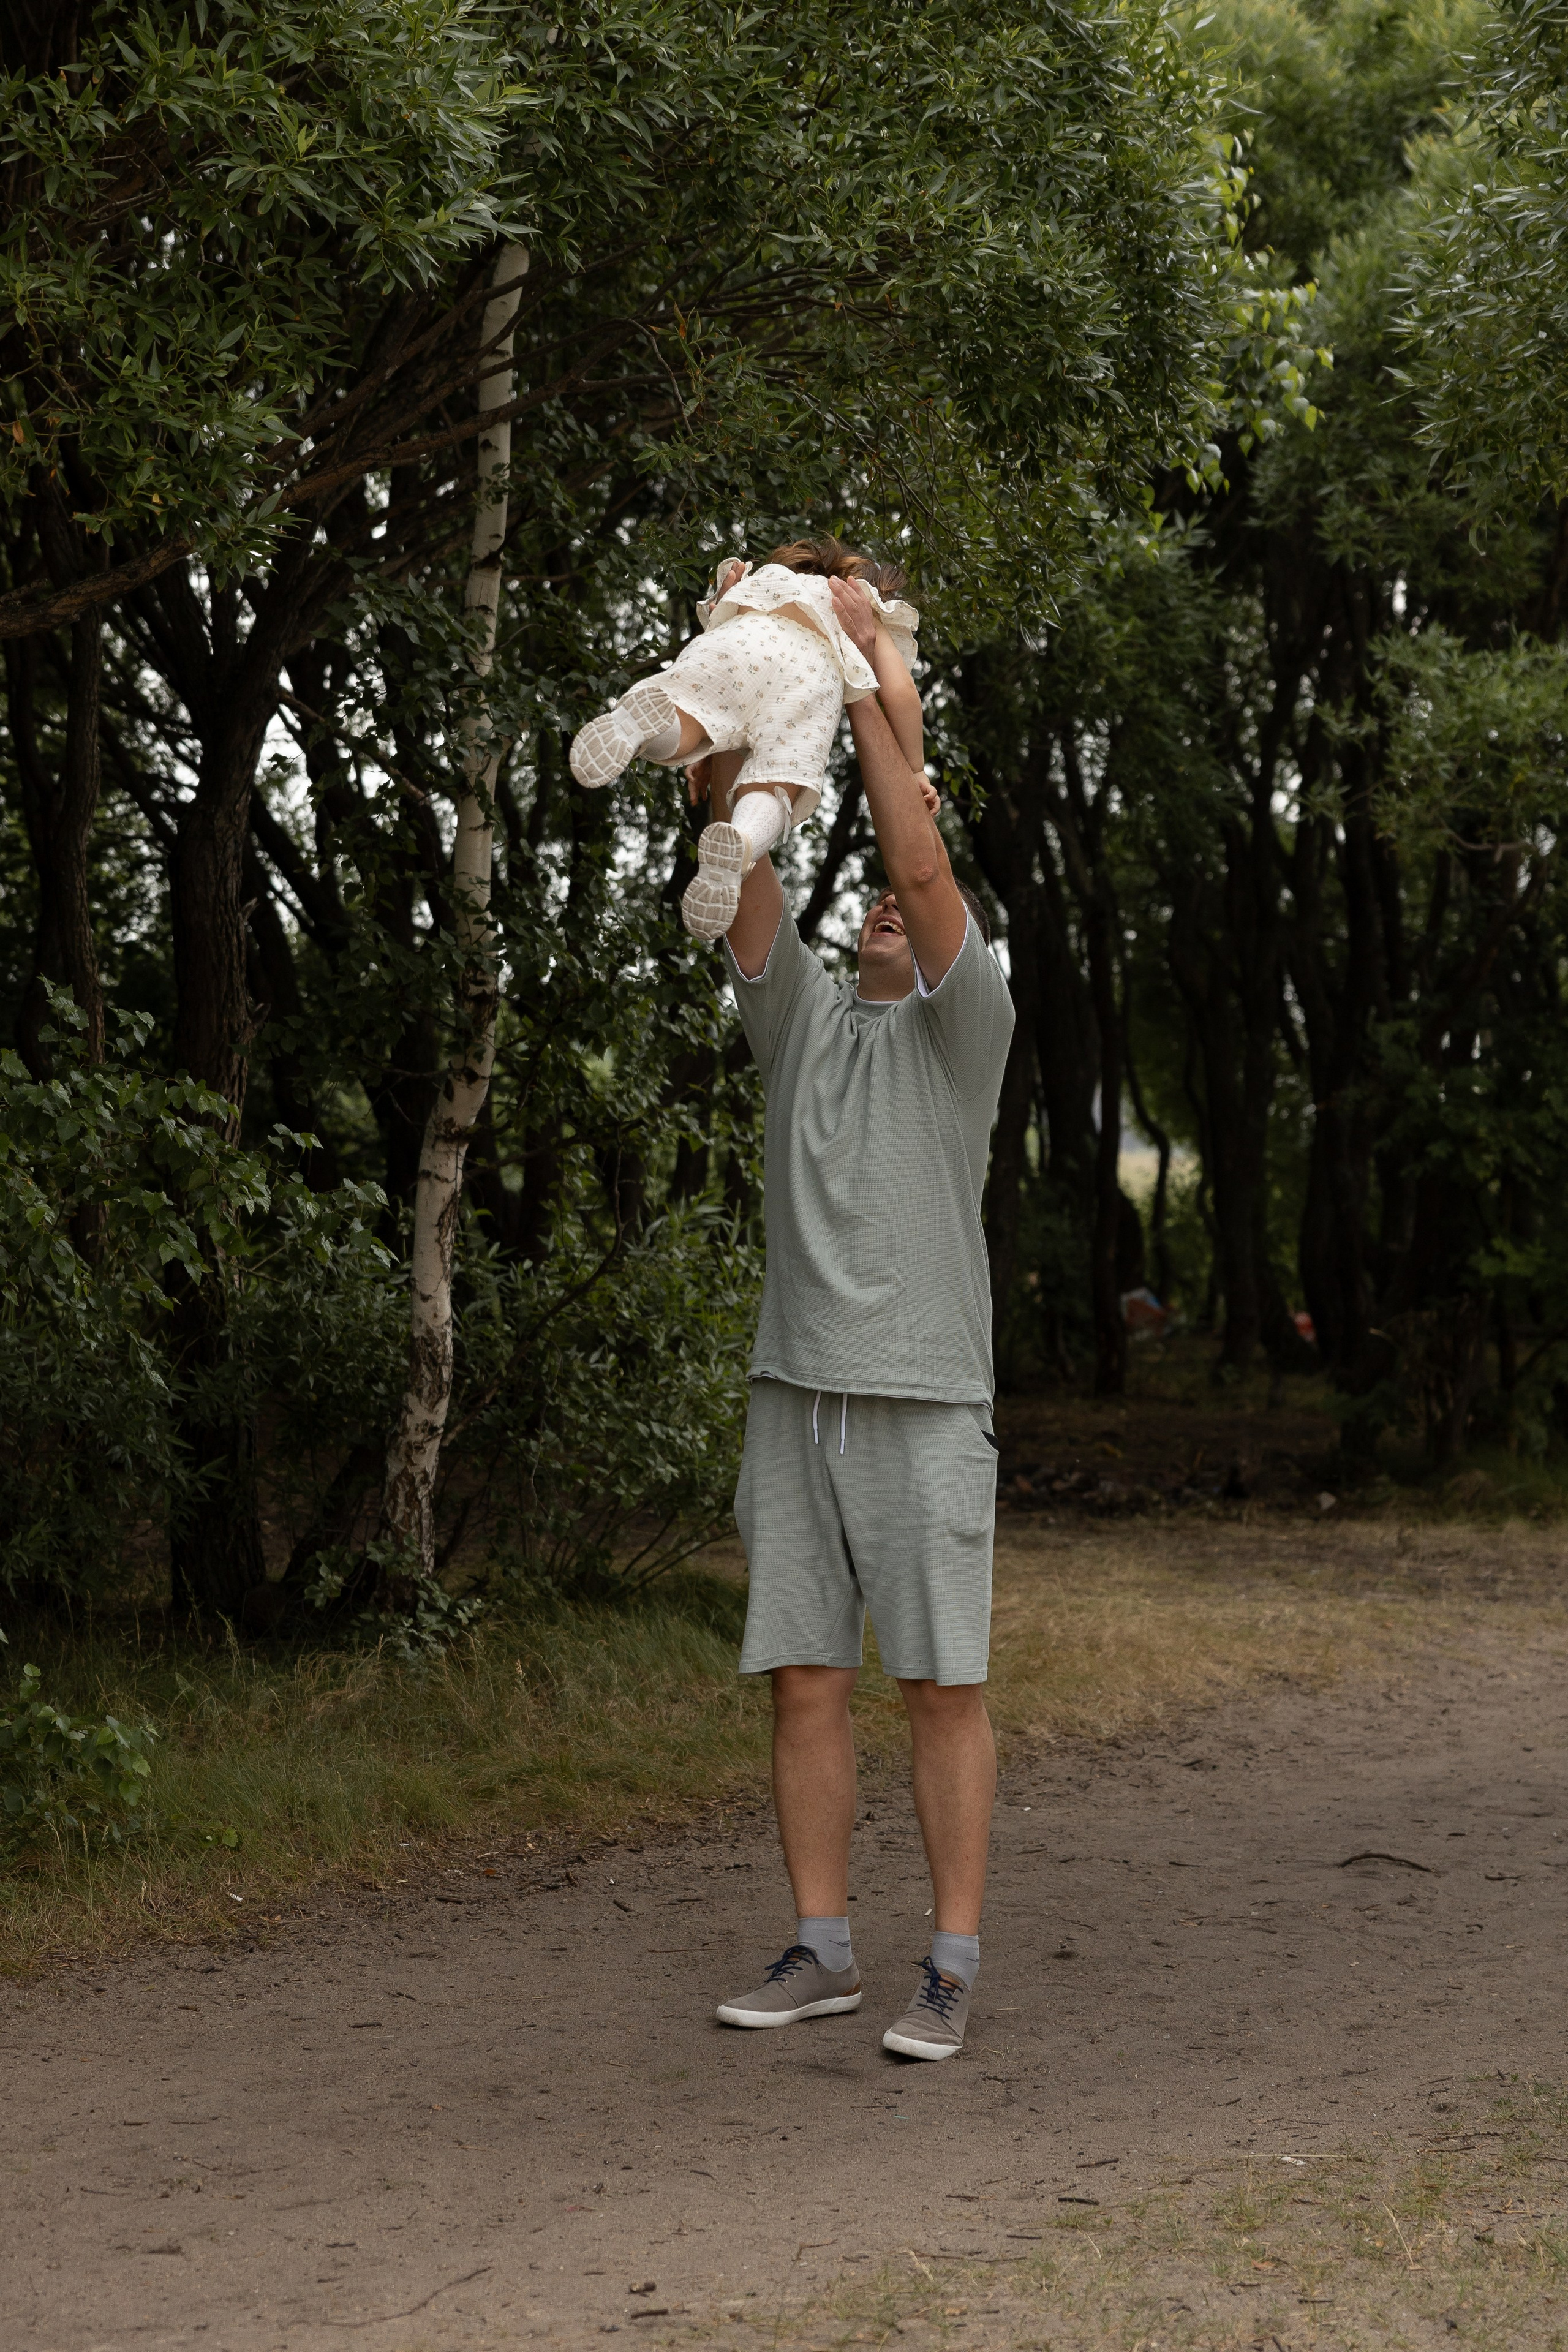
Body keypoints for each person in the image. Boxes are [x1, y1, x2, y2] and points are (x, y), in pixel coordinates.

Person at [704, 573, 1015, 2062]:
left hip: (923, 1403)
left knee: (939, 1690)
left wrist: (873, 689)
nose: (891, 893)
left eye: (915, 885)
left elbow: (914, 845)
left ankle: (946, 1963)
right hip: (793, 1394)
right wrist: (733, 670)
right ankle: (821, 1945)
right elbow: (728, 854)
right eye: (875, 894)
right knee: (806, 1686)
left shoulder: (969, 1026)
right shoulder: (803, 1023)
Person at [568, 538, 922, 942]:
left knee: (691, 714)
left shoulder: (765, 579)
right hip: (808, 682)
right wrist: (915, 769)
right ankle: (743, 841)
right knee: (776, 783)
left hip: (740, 640)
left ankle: (643, 724)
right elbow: (901, 694)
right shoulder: (859, 605)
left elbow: (723, 625)